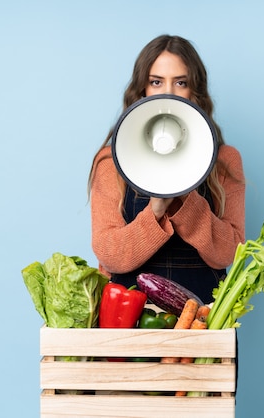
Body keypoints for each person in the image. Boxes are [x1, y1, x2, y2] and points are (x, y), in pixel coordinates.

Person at [88, 35, 246, 303]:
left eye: (181, 82)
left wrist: (186, 196)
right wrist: (156, 210)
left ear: (194, 92)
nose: (168, 93)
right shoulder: (110, 163)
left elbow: (228, 254)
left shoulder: (225, 161)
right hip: (130, 318)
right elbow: (110, 256)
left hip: (202, 317)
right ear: (142, 90)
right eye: (156, 82)